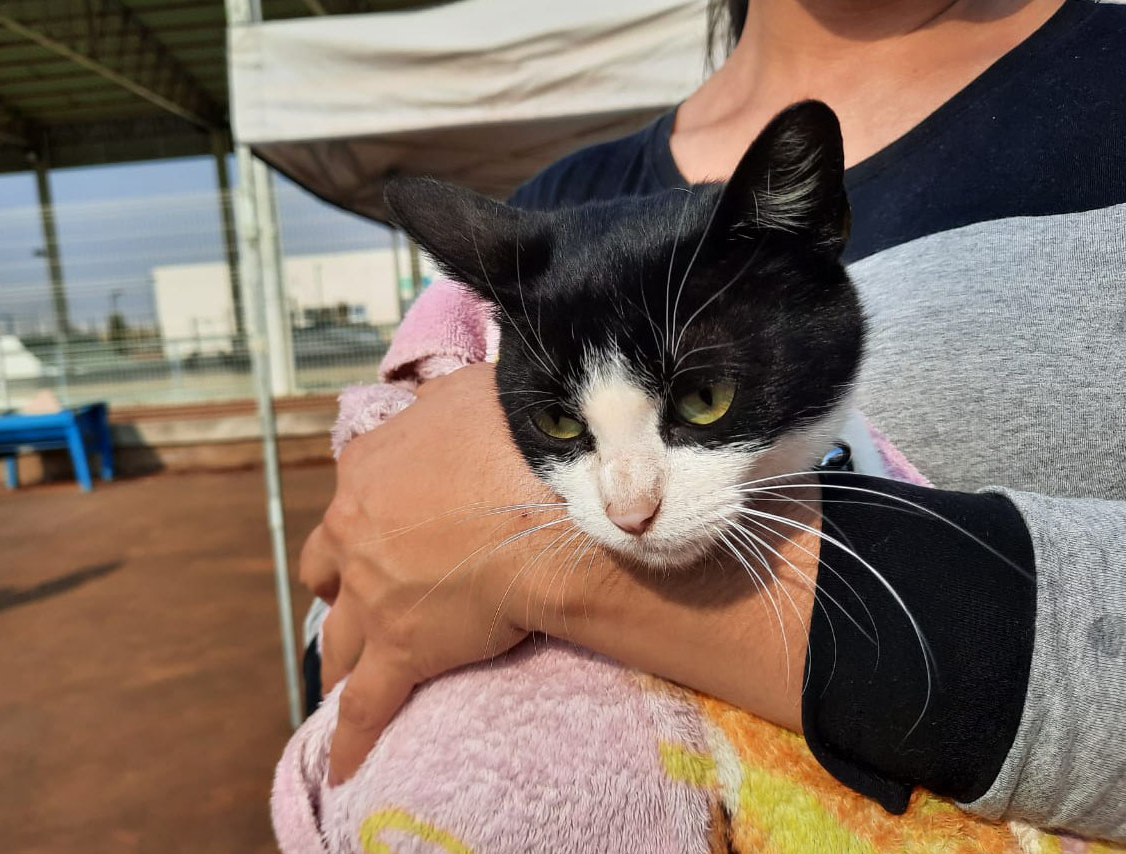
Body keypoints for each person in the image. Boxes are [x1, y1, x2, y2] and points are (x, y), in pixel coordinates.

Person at [298, 0, 1126, 840]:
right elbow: (346, 633)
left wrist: (540, 562)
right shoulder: (556, 203)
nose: (629, 511)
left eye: (701, 401)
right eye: (561, 428)